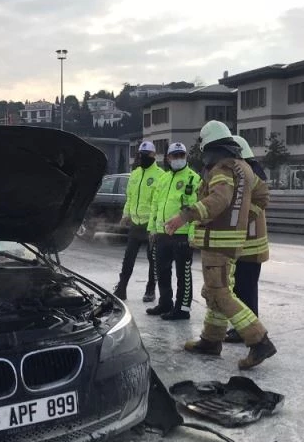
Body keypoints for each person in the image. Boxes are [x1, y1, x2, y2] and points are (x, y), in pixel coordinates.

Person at [164, 121, 276, 370]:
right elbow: (263, 195)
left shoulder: (222, 168)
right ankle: (211, 340)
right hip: (231, 241)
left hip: (217, 239)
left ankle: (259, 341)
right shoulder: (245, 168)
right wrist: (244, 218)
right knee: (215, 289)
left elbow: (219, 198)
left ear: (208, 145)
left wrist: (185, 215)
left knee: (221, 292)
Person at [224, 135, 270, 343]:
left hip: (249, 245)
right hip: (245, 244)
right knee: (242, 287)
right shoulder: (250, 173)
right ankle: (244, 328)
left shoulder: (248, 175)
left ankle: (248, 330)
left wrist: (238, 218)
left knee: (245, 288)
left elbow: (248, 208)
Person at [146, 142, 200, 320]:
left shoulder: (193, 178)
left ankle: (182, 308)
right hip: (163, 233)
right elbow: (155, 204)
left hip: (182, 233)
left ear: (186, 157)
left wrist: (192, 234)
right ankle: (165, 303)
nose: (178, 159)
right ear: (168, 158)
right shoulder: (163, 178)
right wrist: (152, 229)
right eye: (174, 156)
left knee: (182, 273)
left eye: (181, 155)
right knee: (162, 270)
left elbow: (194, 209)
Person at [113, 141, 164, 301]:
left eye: (145, 154)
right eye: (140, 154)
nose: (142, 157)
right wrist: (125, 215)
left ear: (153, 155)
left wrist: (156, 225)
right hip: (135, 224)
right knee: (128, 258)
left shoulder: (160, 175)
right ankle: (122, 288)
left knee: (153, 259)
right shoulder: (134, 174)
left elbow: (160, 203)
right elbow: (130, 198)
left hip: (150, 225)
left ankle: (150, 290)